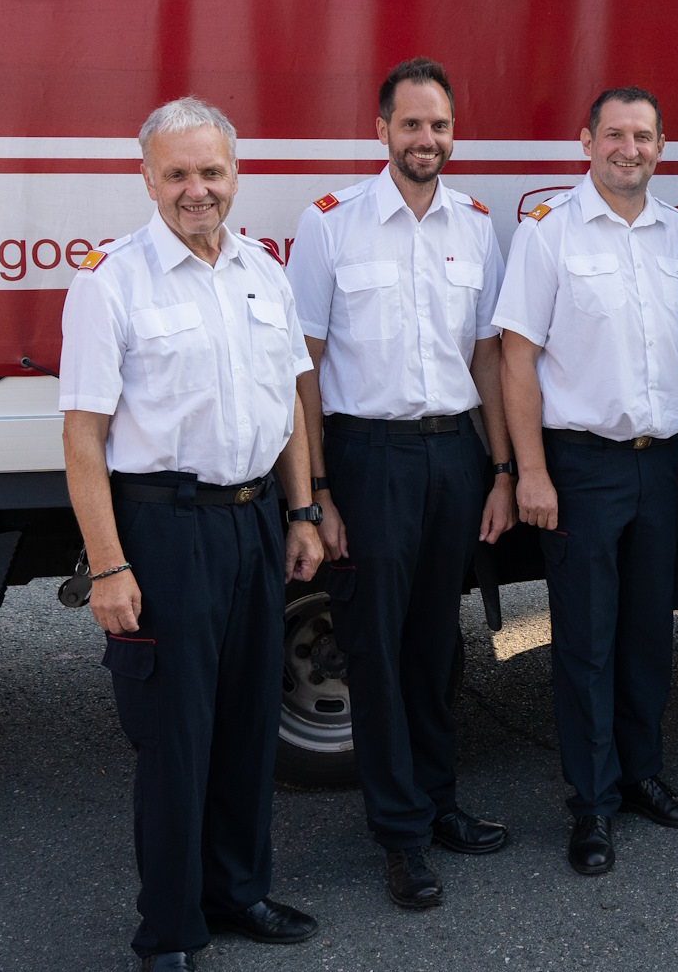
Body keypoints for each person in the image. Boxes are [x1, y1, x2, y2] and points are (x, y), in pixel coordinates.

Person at [59, 97, 325, 972]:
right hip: (164, 531)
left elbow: (288, 397)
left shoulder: (261, 269)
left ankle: (238, 891)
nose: (196, 190)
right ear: (147, 179)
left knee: (250, 726)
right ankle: (169, 931)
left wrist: (299, 510)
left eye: (211, 172)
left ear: (235, 175)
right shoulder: (110, 281)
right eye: (176, 174)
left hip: (252, 523)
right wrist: (109, 565)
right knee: (176, 741)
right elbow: (84, 437)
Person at [284, 58, 516, 910]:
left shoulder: (476, 224)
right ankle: (400, 836)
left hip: (453, 456)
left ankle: (440, 802)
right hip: (367, 459)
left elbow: (488, 355)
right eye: (412, 125)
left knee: (436, 645)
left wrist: (500, 468)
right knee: (376, 651)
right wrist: (316, 493)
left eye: (440, 126)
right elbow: (301, 368)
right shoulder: (332, 225)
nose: (427, 140)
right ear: (381, 130)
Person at [494, 87, 678, 876]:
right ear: (585, 141)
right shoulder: (549, 234)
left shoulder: (677, 234)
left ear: (661, 144)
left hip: (657, 461)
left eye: (643, 135)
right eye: (613, 134)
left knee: (649, 630)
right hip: (579, 466)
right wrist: (531, 471)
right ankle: (591, 803)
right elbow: (517, 356)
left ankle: (641, 774)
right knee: (585, 640)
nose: (629, 148)